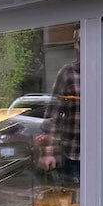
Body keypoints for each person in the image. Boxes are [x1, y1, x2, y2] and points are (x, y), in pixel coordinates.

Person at [35, 27, 80, 186]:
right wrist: (48, 153)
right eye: (79, 42)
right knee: (75, 205)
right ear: (75, 45)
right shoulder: (67, 74)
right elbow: (52, 116)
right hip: (74, 155)